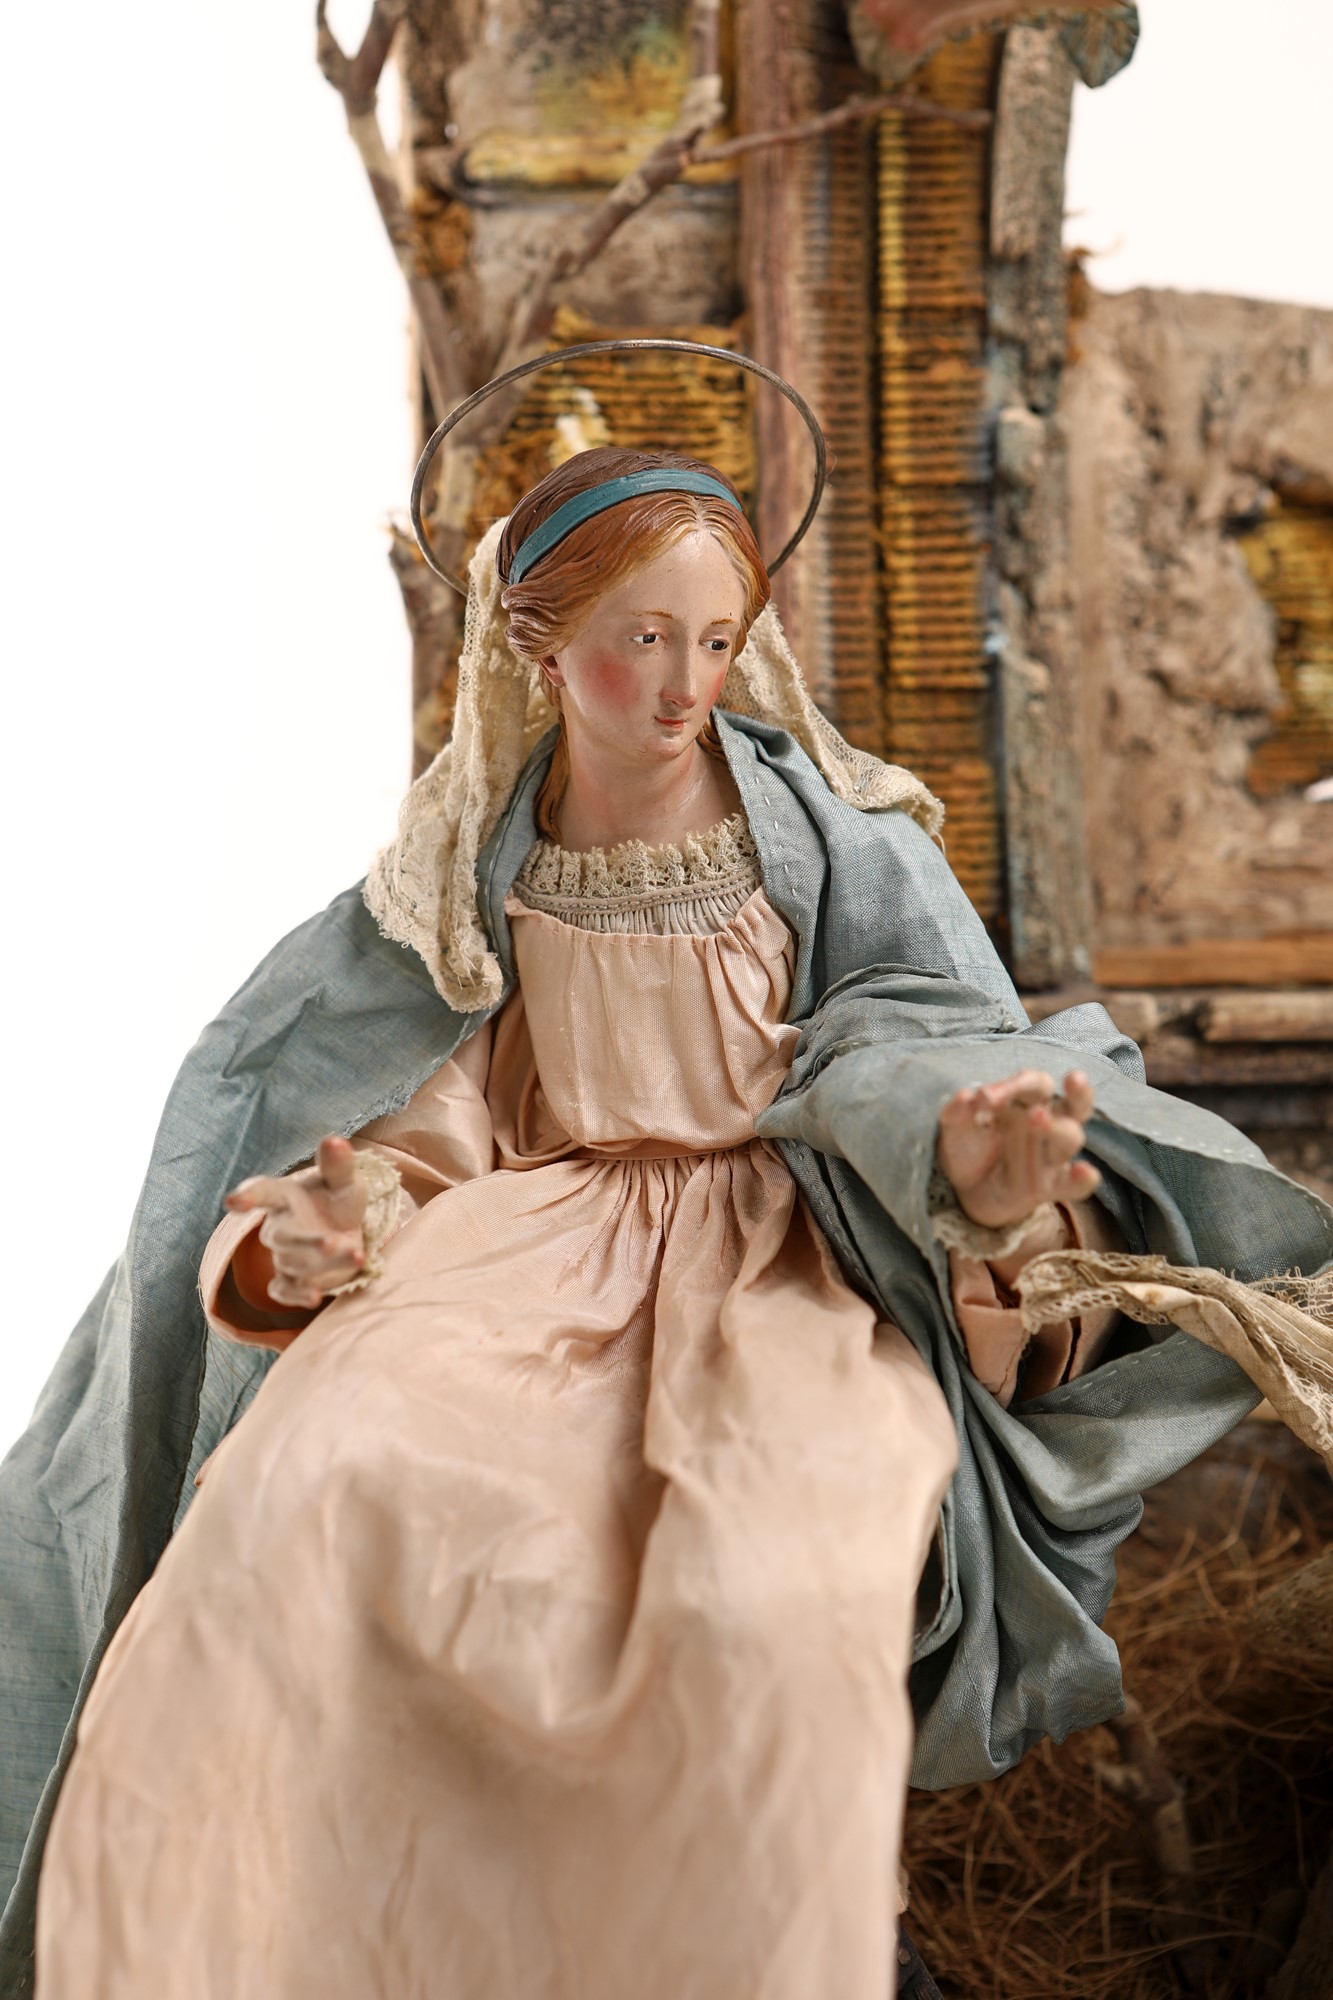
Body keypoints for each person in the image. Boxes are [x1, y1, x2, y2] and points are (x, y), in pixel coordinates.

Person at [5, 447, 1330, 2000]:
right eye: (641, 640)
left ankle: (759, 1943)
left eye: (713, 639)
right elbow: (433, 1105)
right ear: (540, 647)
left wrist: (972, 1170)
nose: (686, 684)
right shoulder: (463, 877)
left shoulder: (840, 842)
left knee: (766, 1576)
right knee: (318, 1482)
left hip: (782, 1259)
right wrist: (334, 1219)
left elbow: (919, 1041)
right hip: (524, 1250)